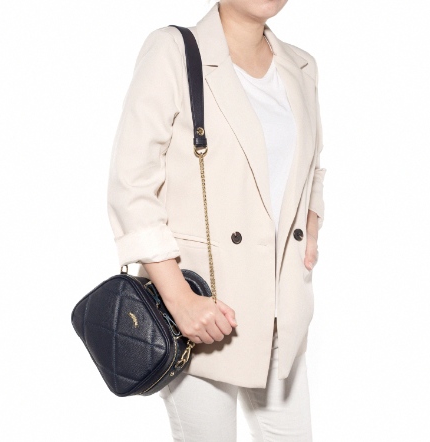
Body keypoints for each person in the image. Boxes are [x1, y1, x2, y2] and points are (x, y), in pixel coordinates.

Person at [107, 0, 326, 440]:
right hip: (202, 313)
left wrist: (312, 219)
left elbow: (311, 164)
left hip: (281, 312)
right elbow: (131, 185)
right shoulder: (173, 50)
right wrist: (180, 300)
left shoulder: (301, 65)